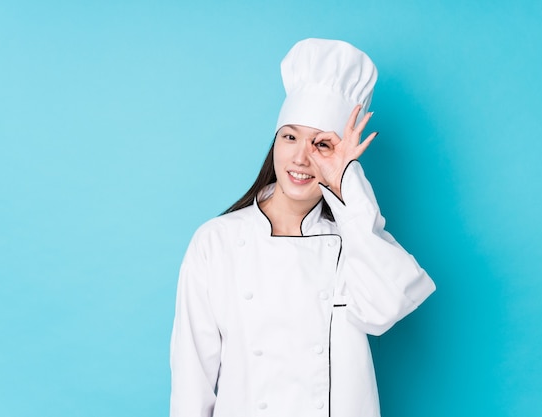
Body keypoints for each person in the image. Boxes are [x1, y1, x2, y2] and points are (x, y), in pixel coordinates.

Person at [169, 38, 436, 417]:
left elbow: (386, 307)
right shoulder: (217, 240)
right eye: (290, 136)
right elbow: (191, 378)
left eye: (322, 145)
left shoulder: (353, 241)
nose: (301, 157)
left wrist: (346, 184)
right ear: (275, 142)